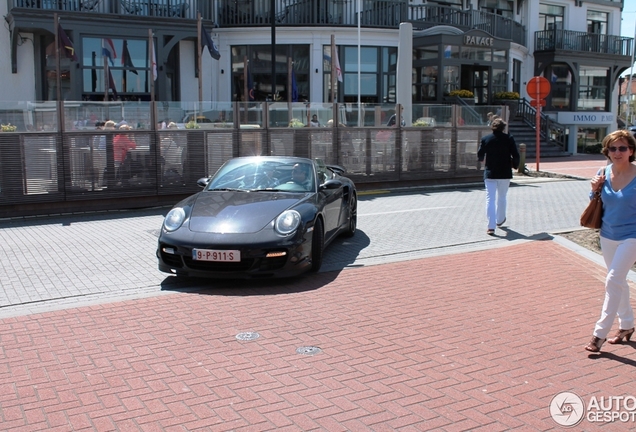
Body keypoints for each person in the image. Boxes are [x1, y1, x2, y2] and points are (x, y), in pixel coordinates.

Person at [584, 130, 636, 353]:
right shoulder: (603, 173)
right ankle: (626, 325)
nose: (617, 152)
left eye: (622, 148)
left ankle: (599, 334)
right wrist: (594, 188)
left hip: (632, 237)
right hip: (607, 235)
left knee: (613, 280)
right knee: (619, 282)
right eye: (612, 148)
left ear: (631, 151)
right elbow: (596, 201)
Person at [477, 118, 520, 235]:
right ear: (503, 127)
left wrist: (483, 160)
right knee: (502, 197)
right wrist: (515, 165)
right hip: (505, 173)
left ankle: (491, 226)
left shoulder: (486, 139)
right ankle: (500, 220)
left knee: (490, 199)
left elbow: (480, 155)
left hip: (490, 172)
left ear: (492, 127)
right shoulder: (509, 139)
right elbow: (516, 155)